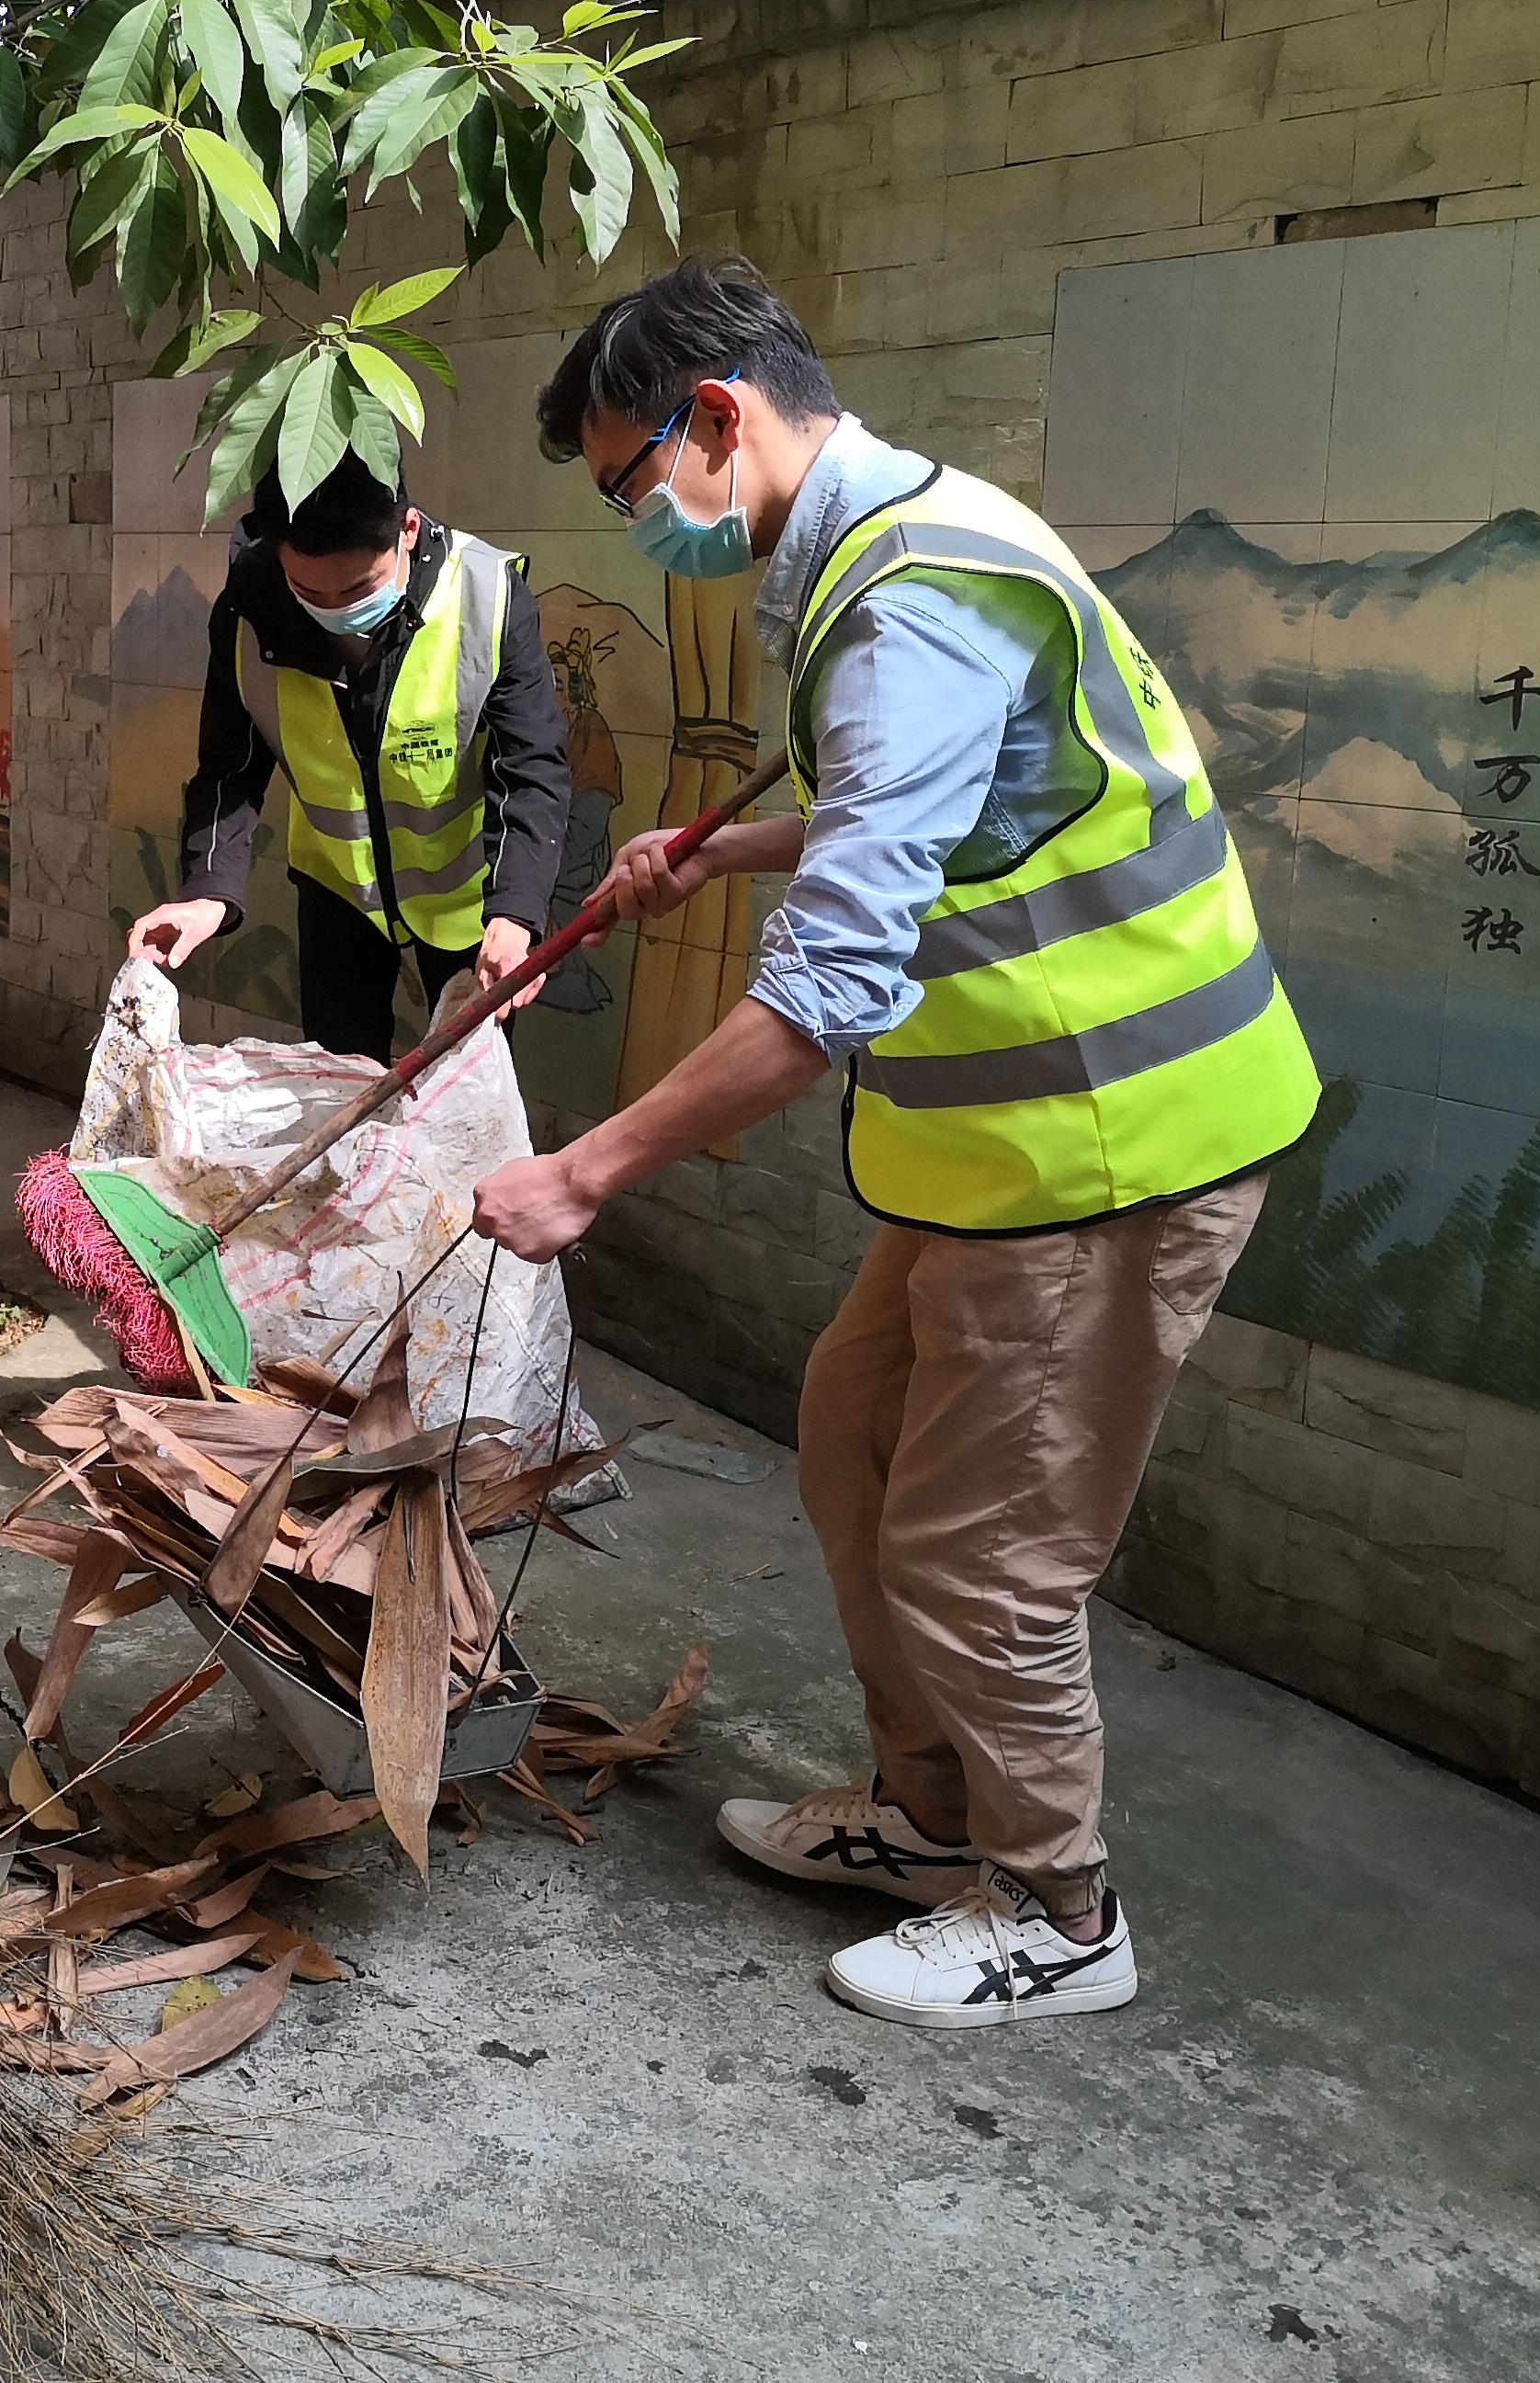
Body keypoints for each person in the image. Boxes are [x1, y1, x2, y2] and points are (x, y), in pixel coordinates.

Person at [470, 257, 1319, 2032]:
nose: (643, 526)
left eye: (632, 486)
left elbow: (822, 999)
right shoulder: (883, 539)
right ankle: (934, 1817)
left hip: (1108, 1147)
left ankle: (1059, 1902)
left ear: (715, 421)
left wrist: (583, 1171)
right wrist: (724, 850)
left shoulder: (905, 595)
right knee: (853, 1434)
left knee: (983, 1550)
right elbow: (935, 804)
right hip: (1002, 1146)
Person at [123, 451, 571, 1061]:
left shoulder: (489, 595)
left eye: (360, 588)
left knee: (467, 1093)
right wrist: (208, 891)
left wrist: (516, 910)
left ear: (407, 531)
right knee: (338, 1084)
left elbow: (531, 766)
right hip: (337, 890)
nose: (336, 609)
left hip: (471, 905)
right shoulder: (249, 610)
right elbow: (230, 768)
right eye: (308, 590)